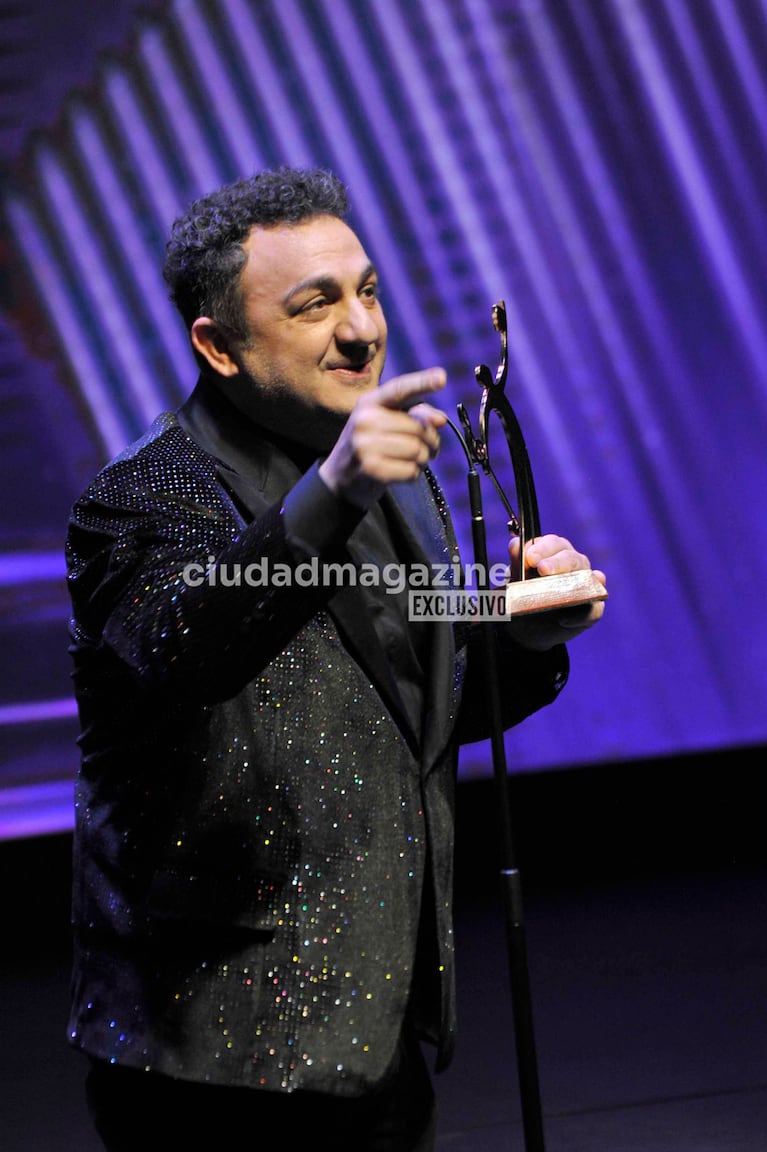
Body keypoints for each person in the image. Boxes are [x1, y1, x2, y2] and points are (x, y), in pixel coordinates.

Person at [65, 166, 607, 1151]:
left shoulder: (399, 480)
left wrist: (520, 638)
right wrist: (332, 491)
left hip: (377, 1022)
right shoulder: (141, 498)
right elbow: (191, 652)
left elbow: (411, 702)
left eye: (365, 291)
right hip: (214, 1059)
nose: (360, 330)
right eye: (314, 305)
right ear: (216, 345)